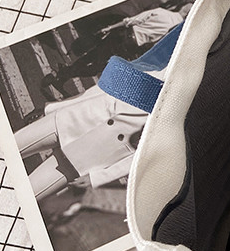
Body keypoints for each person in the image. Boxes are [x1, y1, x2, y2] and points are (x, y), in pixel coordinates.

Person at [14, 85, 148, 201]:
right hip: (76, 116)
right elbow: (106, 88)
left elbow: (147, 155)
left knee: (22, 196)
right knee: (6, 149)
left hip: (93, 155)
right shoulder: (159, 69)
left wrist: (99, 177)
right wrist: (54, 107)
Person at [42, 2, 192, 96]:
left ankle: (63, 74)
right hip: (130, 47)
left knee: (93, 55)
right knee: (99, 67)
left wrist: (110, 27)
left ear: (182, 7)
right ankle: (63, 74)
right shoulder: (174, 31)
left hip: (122, 35)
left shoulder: (161, 12)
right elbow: (155, 46)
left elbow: (131, 21)